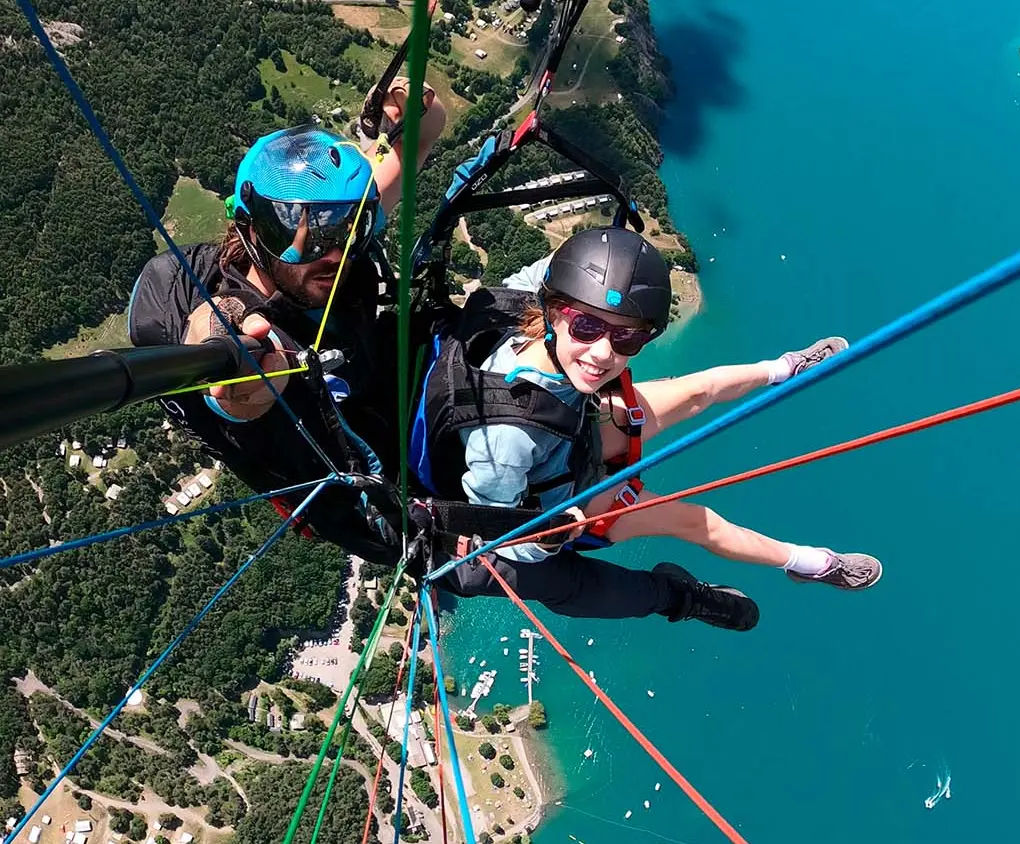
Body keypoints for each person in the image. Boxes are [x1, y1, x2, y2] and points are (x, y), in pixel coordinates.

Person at [423, 227, 882, 631]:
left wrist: (616, 252)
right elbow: (497, 537)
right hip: (562, 497)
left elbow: (554, 272)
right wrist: (552, 538)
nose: (603, 353)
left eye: (628, 337)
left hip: (571, 430)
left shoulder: (523, 304)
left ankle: (785, 369)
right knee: (695, 521)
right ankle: (811, 563)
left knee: (698, 390)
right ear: (555, 313)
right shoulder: (505, 442)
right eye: (587, 327)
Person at [128, 76, 447, 562]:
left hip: (394, 413)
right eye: (304, 230)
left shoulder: (332, 242)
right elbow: (219, 363)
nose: (332, 253)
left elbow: (422, 139)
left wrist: (414, 105)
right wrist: (231, 379)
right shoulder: (237, 307)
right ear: (251, 230)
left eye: (348, 226)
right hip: (372, 504)